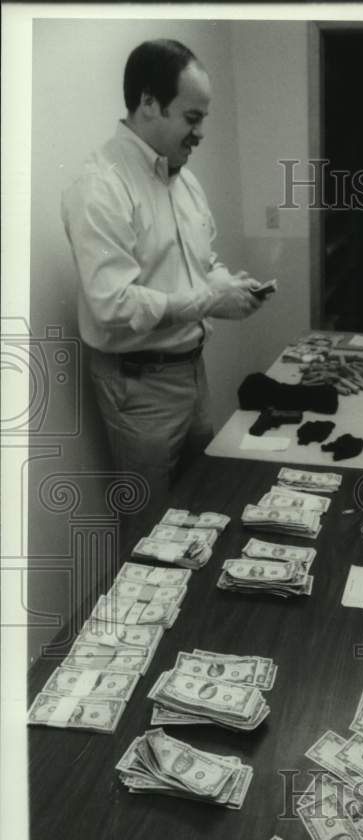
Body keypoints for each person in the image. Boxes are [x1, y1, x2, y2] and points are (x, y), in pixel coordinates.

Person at [62, 39, 270, 518]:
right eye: (192, 118)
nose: (200, 133)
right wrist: (207, 299)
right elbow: (111, 303)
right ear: (148, 104)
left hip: (191, 373)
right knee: (151, 531)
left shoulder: (186, 181)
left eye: (203, 119)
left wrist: (230, 288)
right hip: (139, 388)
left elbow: (203, 264)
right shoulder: (100, 187)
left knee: (201, 509)